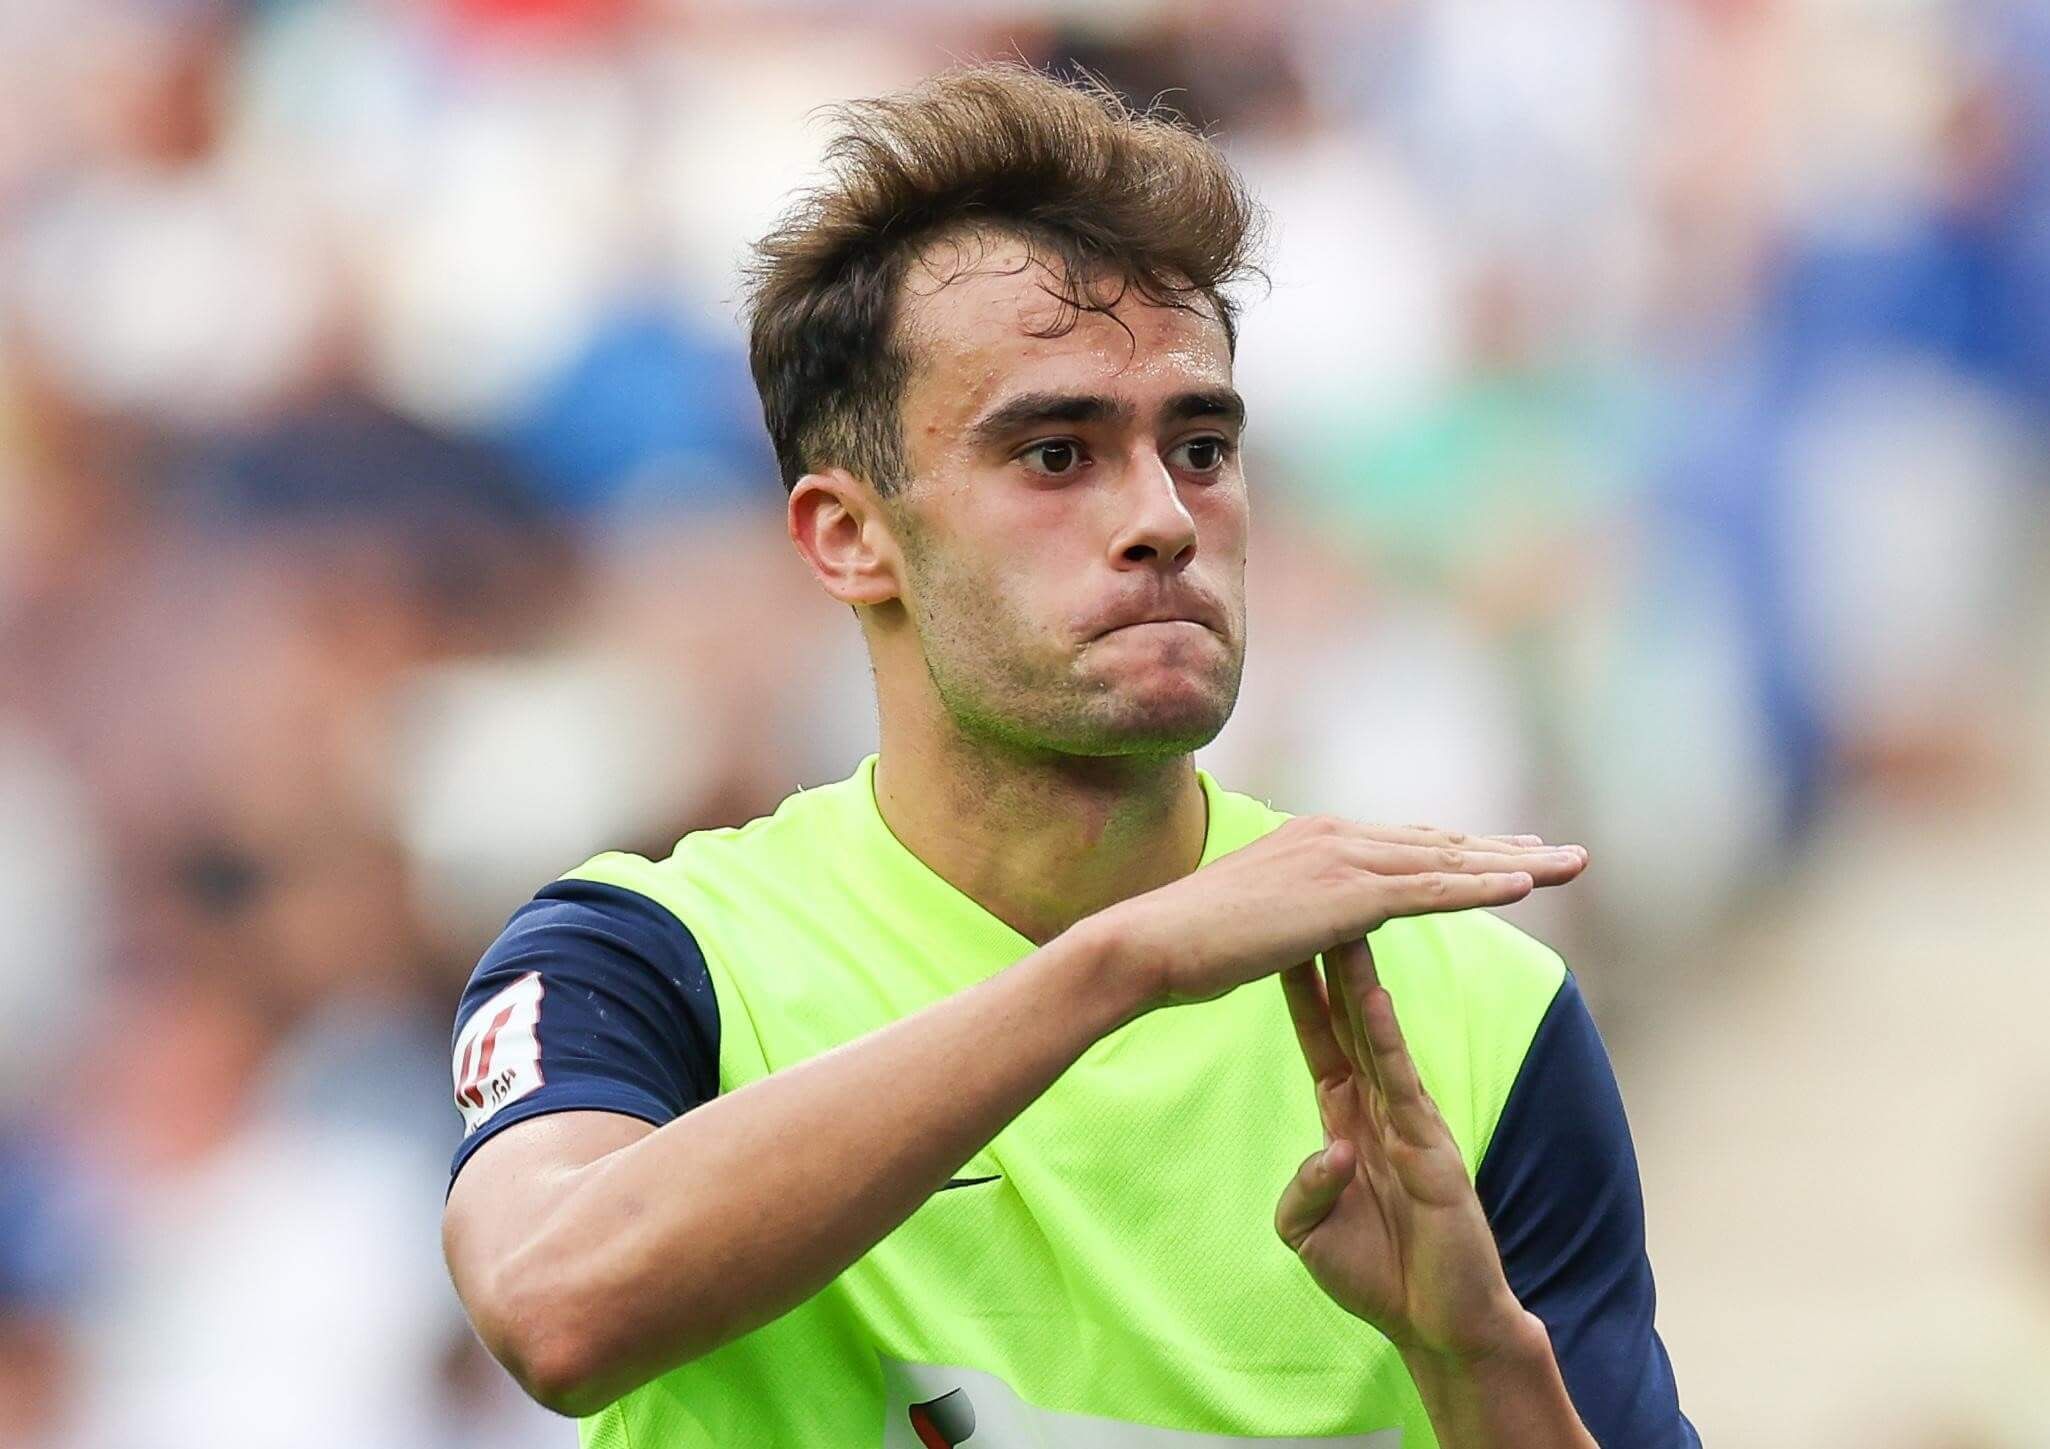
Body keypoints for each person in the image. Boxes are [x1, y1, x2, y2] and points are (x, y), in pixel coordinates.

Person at [441, 65, 1699, 1448]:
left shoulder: (1474, 1009)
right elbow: (552, 1306)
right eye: (1054, 454)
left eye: (1201, 446)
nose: (1164, 517)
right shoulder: (653, 956)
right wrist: (1118, 968)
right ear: (849, 537)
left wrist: (1479, 1359)